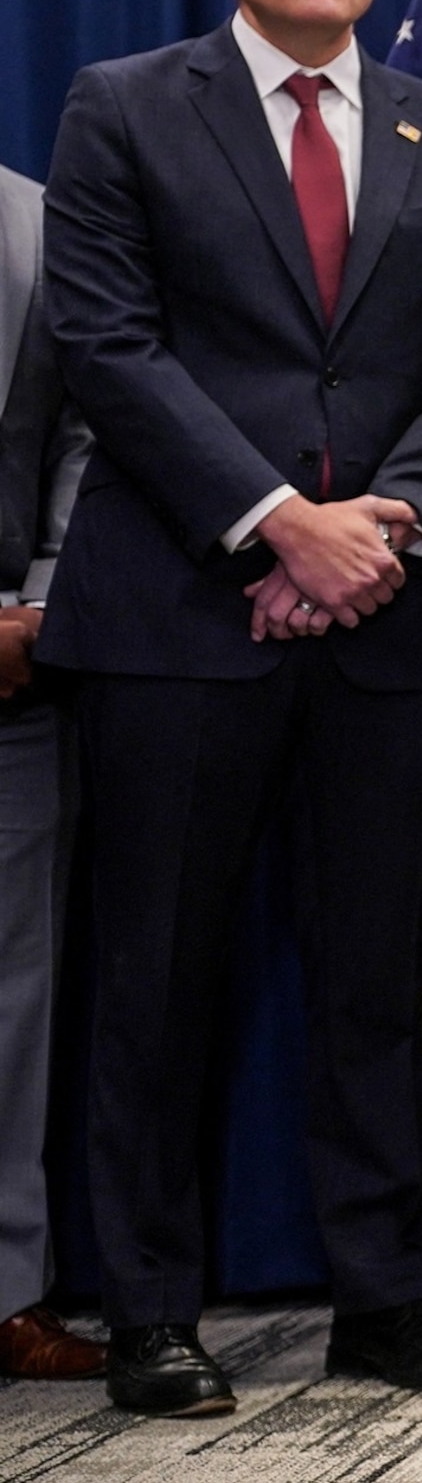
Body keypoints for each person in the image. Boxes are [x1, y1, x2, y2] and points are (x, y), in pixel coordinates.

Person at [42, 0, 422, 1415]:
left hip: (394, 612)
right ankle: (151, 1310)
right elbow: (109, 346)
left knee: (375, 975)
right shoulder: (122, 108)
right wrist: (277, 526)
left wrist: (380, 533)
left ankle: (385, 1297)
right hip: (181, 611)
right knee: (159, 979)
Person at [0, 157, 97, 1384]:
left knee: (15, 998)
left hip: (15, 679)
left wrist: (38, 607)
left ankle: (9, 1288)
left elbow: (83, 435)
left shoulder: (37, 217)